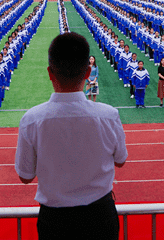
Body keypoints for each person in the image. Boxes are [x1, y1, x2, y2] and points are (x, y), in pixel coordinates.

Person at [15, 32, 127, 240]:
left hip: (55, 220)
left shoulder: (32, 119)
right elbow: (120, 160)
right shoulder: (108, 115)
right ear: (87, 72)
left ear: (50, 73)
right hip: (100, 217)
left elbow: (25, 176)